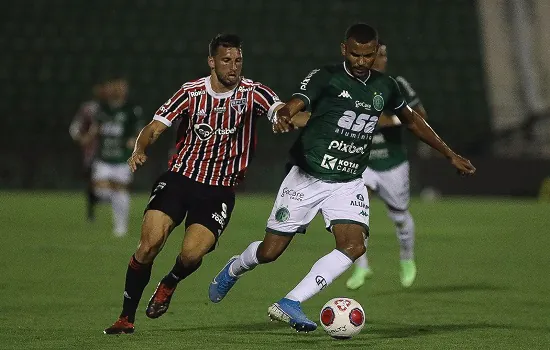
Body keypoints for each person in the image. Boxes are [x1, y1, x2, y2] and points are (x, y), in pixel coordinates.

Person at [208, 23, 476, 333]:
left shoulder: (386, 86)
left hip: (348, 180)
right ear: (343, 50)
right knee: (270, 252)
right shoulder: (327, 77)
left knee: (354, 246)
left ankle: (291, 302)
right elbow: (298, 101)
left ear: (376, 53)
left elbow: (413, 122)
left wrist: (449, 153)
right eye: (355, 54)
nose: (362, 62)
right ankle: (235, 266)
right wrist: (285, 115)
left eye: (368, 55)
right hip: (308, 175)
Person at [103, 33, 289, 335]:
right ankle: (126, 317)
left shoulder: (253, 92)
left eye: (238, 60)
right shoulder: (191, 92)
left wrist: (285, 116)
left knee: (191, 255)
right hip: (179, 179)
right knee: (148, 246)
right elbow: (154, 127)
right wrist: (140, 149)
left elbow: (279, 109)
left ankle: (170, 281)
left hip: (218, 190)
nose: (233, 66)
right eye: (226, 60)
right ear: (212, 61)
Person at [345, 41, 426, 289]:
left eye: (384, 55)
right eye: (376, 55)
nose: (381, 60)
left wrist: (389, 119)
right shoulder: (348, 86)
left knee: (399, 217)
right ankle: (362, 267)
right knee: (352, 213)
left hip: (392, 163)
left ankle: (406, 259)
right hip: (362, 163)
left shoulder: (397, 84)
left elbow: (421, 116)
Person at [90, 76, 143, 237]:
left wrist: (135, 141)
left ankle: (121, 226)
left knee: (120, 191)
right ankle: (118, 216)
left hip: (122, 159)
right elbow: (96, 128)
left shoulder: (132, 110)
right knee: (99, 191)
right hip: (104, 158)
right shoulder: (103, 109)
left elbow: (140, 131)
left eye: (122, 86)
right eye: (117, 86)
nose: (120, 89)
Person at [69, 82, 105, 221]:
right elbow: (75, 127)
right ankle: (91, 211)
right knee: (92, 181)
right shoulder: (88, 108)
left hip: (114, 151)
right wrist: (81, 138)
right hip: (93, 151)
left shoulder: (116, 108)